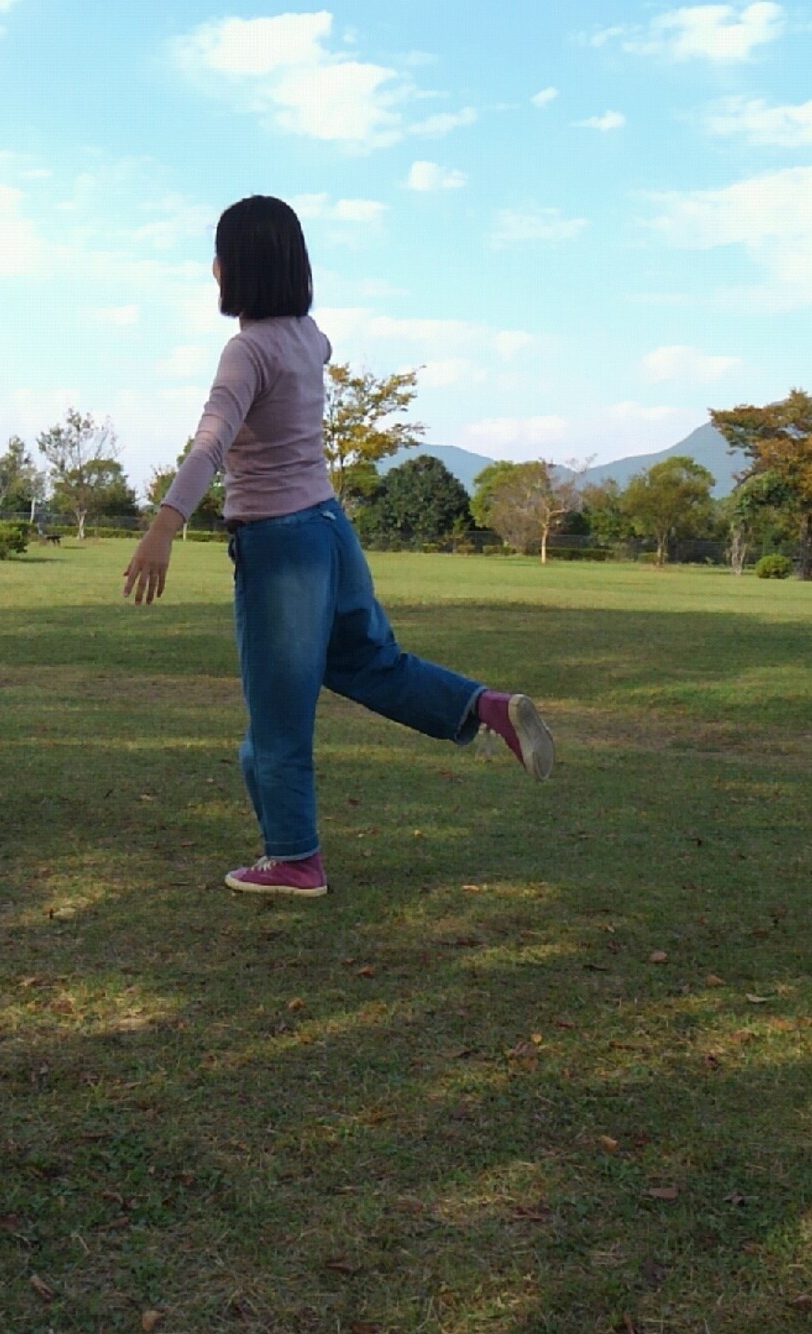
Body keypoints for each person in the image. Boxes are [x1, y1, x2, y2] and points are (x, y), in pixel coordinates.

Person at [124, 195, 554, 899]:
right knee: (373, 663)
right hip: (330, 529)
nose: (213, 268)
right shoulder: (307, 337)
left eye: (219, 256)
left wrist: (163, 527)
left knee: (277, 715)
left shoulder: (247, 350)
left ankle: (295, 859)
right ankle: (485, 707)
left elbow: (211, 442)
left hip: (279, 546)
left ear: (236, 268)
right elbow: (298, 369)